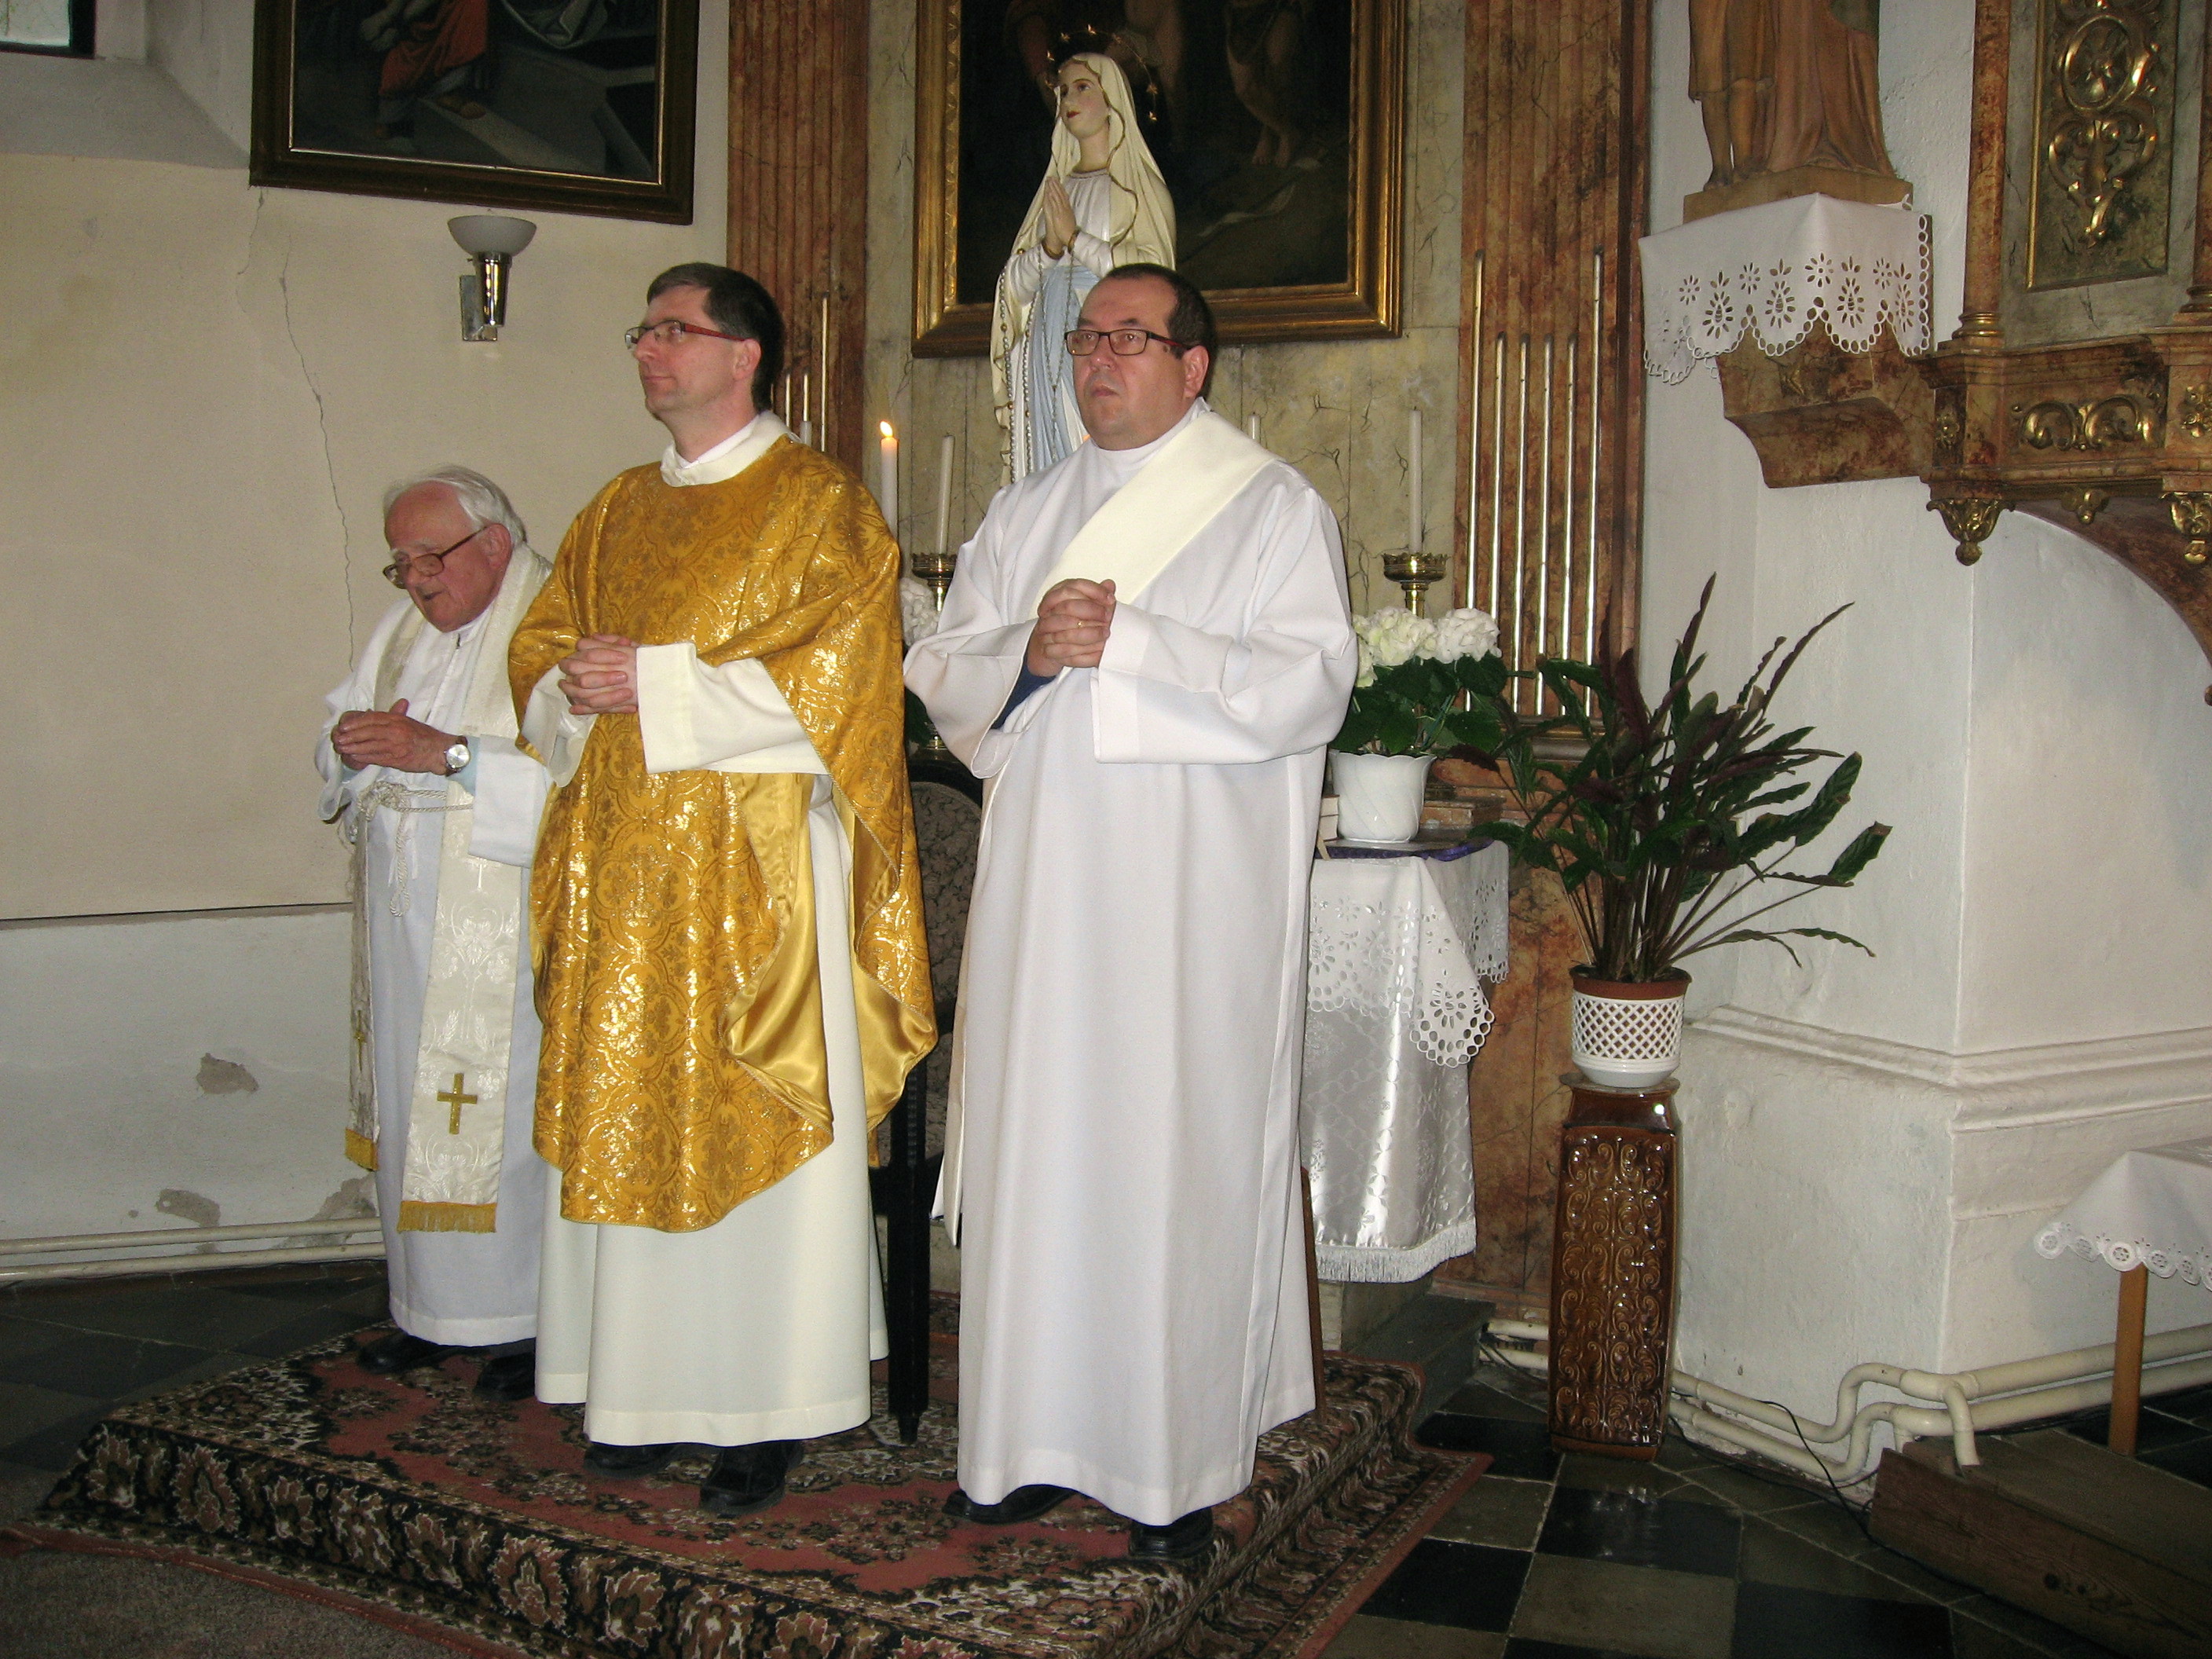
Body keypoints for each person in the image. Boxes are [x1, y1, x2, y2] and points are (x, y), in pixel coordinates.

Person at [906, 264, 1355, 1561]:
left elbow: (1311, 683)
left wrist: (1137, 642)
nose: (1099, 360)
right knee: (1042, 1149)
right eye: (1085, 338)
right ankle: (1021, 1446)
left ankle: (1173, 1467)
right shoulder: (1027, 509)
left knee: (1168, 1161)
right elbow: (945, 665)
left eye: (1131, 339)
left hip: (1185, 904)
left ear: (1193, 365)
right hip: (1044, 896)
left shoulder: (1269, 506)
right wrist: (1027, 655)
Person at [508, 264, 934, 1517]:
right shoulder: (615, 507)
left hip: (758, 881)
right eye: (642, 330)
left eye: (674, 330)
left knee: (760, 1129)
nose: (649, 350)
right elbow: (540, 648)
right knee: (630, 1120)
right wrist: (572, 686)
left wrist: (654, 681)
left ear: (745, 356)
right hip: (623, 876)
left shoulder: (819, 506)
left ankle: (767, 1404)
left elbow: (846, 684)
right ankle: (636, 1391)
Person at [317, 467, 552, 1401]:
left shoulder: (550, 627)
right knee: (415, 1114)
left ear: (493, 544)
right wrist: (351, 745)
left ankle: (525, 1320)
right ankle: (428, 1311)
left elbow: (586, 780)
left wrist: (448, 755)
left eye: (430, 557)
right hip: (402, 925)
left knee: (503, 1121)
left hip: (502, 922)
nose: (415, 581)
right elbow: (339, 725)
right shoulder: (401, 633)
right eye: (401, 563)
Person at [991, 52, 1177, 483]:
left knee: (1099, 455)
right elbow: (1013, 289)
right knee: (1051, 472)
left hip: (1106, 345)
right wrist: (1050, 250)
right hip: (1045, 347)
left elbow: (1152, 280)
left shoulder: (1140, 191)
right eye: (1062, 91)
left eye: (1082, 87)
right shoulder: (1055, 191)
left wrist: (1076, 240)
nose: (1068, 100)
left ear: (1112, 100)